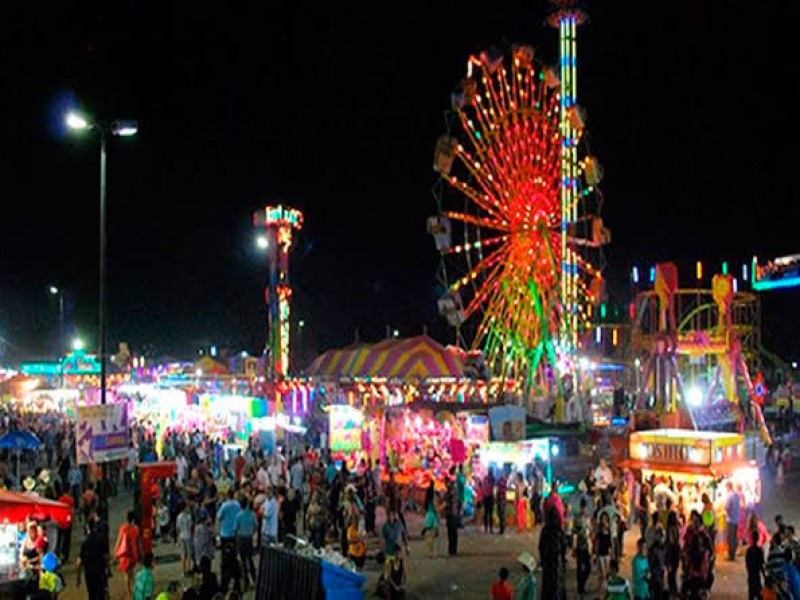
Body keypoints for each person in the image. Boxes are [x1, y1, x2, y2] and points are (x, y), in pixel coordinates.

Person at [76, 520, 108, 600]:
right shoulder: (100, 541)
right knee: (101, 594)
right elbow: (106, 557)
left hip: (89, 573)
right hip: (100, 572)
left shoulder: (85, 543)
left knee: (91, 594)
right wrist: (107, 569)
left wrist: (78, 577)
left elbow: (79, 562)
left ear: (87, 529)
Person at [115, 511, 143, 600]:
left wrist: (115, 552)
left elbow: (119, 541)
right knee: (132, 572)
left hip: (125, 554)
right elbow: (138, 543)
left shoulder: (123, 528)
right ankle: (135, 591)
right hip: (133, 554)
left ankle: (129, 594)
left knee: (127, 574)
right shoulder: (135, 529)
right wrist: (140, 554)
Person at [234, 497, 258, 589]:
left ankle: (246, 581)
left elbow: (236, 529)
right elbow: (256, 525)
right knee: (250, 559)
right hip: (249, 538)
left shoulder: (238, 515)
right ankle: (254, 578)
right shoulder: (252, 514)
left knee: (243, 561)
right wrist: (252, 532)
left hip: (241, 538)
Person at [572, 497, 592, 598]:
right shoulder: (577, 518)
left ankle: (582, 584)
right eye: (582, 507)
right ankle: (580, 588)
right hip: (580, 546)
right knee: (580, 568)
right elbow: (574, 533)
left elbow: (590, 532)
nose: (583, 509)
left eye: (585, 507)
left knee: (588, 568)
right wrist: (574, 548)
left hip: (587, 546)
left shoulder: (588, 518)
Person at [176, 502, 194, 577]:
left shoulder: (179, 517)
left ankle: (184, 571)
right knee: (189, 554)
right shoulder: (188, 517)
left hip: (181, 536)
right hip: (188, 536)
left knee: (183, 555)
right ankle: (188, 569)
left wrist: (178, 537)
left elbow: (177, 528)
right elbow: (191, 527)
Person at [746, 529, 766, 600]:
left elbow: (747, 565)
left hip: (751, 576)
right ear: (758, 538)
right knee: (760, 595)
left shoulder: (749, 551)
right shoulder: (759, 550)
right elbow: (762, 565)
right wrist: (764, 575)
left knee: (751, 595)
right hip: (757, 576)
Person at [724, 481, 741, 561]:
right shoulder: (737, 495)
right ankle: (733, 553)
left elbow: (727, 507)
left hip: (730, 519)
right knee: (734, 537)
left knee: (730, 537)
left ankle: (731, 555)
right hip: (736, 518)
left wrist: (727, 513)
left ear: (728, 487)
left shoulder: (729, 496)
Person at [422, 480, 439, 558]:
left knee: (429, 535)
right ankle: (432, 552)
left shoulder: (427, 498)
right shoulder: (433, 497)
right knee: (433, 536)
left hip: (428, 515)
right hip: (433, 516)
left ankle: (430, 552)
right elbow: (436, 508)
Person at [444, 468, 460, 555]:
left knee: (451, 533)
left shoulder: (450, 491)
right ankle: (453, 549)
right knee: (453, 532)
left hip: (451, 514)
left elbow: (447, 503)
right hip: (454, 513)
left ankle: (452, 549)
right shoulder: (454, 490)